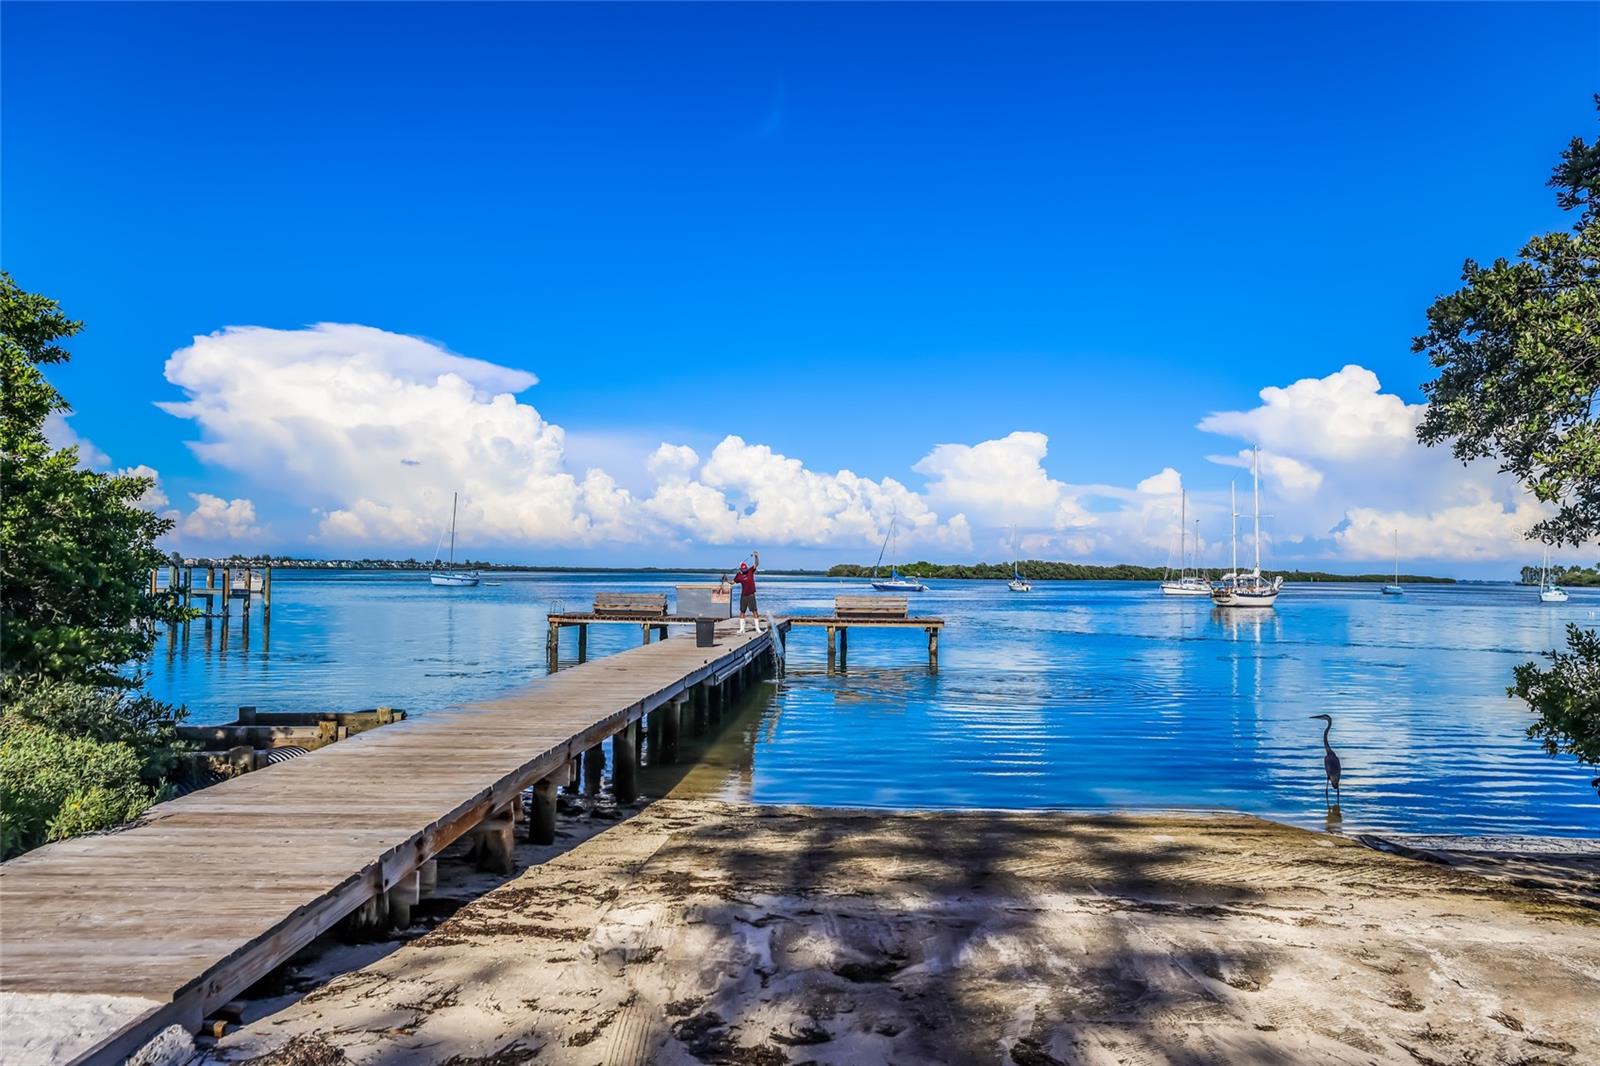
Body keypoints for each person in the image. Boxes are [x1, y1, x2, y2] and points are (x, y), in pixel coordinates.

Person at [730, 551, 761, 633]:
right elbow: (733, 582)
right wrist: (727, 580)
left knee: (755, 611)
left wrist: (756, 557)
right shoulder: (739, 576)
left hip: (751, 595)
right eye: (743, 569)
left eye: (745, 569)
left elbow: (756, 564)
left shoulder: (750, 571)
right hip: (744, 595)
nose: (745, 570)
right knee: (742, 611)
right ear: (740, 569)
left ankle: (757, 629)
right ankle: (742, 629)